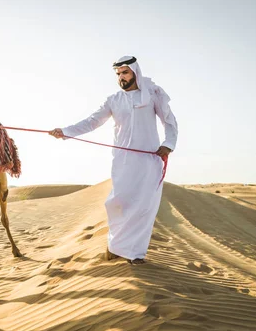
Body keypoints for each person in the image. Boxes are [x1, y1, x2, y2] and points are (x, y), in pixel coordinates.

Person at [49, 56, 178, 265]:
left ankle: (135, 254)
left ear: (135, 72)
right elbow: (92, 122)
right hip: (123, 162)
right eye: (118, 74)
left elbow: (170, 122)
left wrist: (168, 144)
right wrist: (65, 131)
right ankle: (117, 247)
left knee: (144, 207)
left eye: (125, 73)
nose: (121, 77)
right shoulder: (113, 100)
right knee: (118, 204)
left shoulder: (153, 94)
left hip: (149, 161)